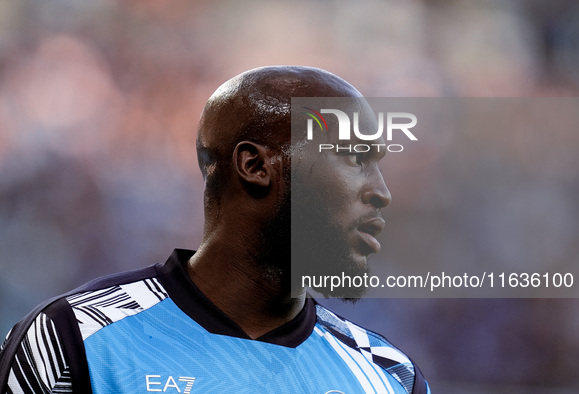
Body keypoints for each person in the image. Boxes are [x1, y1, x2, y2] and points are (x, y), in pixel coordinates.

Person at [0, 66, 430, 393]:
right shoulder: (73, 339)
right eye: (355, 158)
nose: (382, 193)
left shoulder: (389, 376)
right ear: (256, 166)